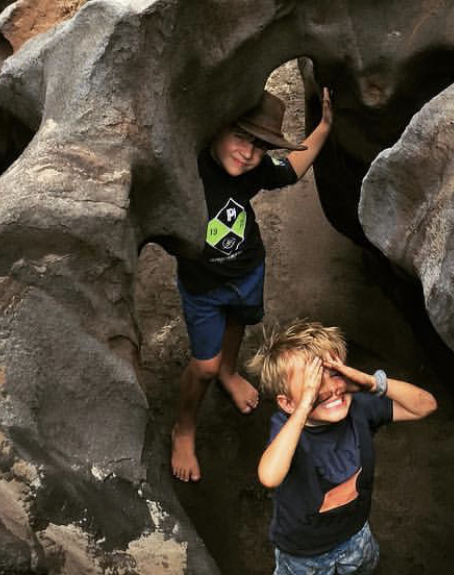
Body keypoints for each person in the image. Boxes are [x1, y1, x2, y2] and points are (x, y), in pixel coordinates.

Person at [172, 90, 334, 483]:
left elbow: (292, 168)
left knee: (238, 323)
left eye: (260, 147)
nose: (249, 154)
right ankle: (184, 427)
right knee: (203, 366)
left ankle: (230, 372)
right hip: (203, 283)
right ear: (215, 127)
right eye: (241, 137)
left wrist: (325, 127)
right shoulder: (186, 167)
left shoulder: (254, 170)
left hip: (247, 271)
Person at [248, 320, 437, 575]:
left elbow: (425, 405)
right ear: (287, 403)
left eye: (334, 372)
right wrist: (304, 407)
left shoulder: (359, 406)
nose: (328, 388)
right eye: (312, 382)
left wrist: (372, 383)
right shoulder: (287, 427)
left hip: (356, 534)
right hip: (303, 553)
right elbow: (270, 476)